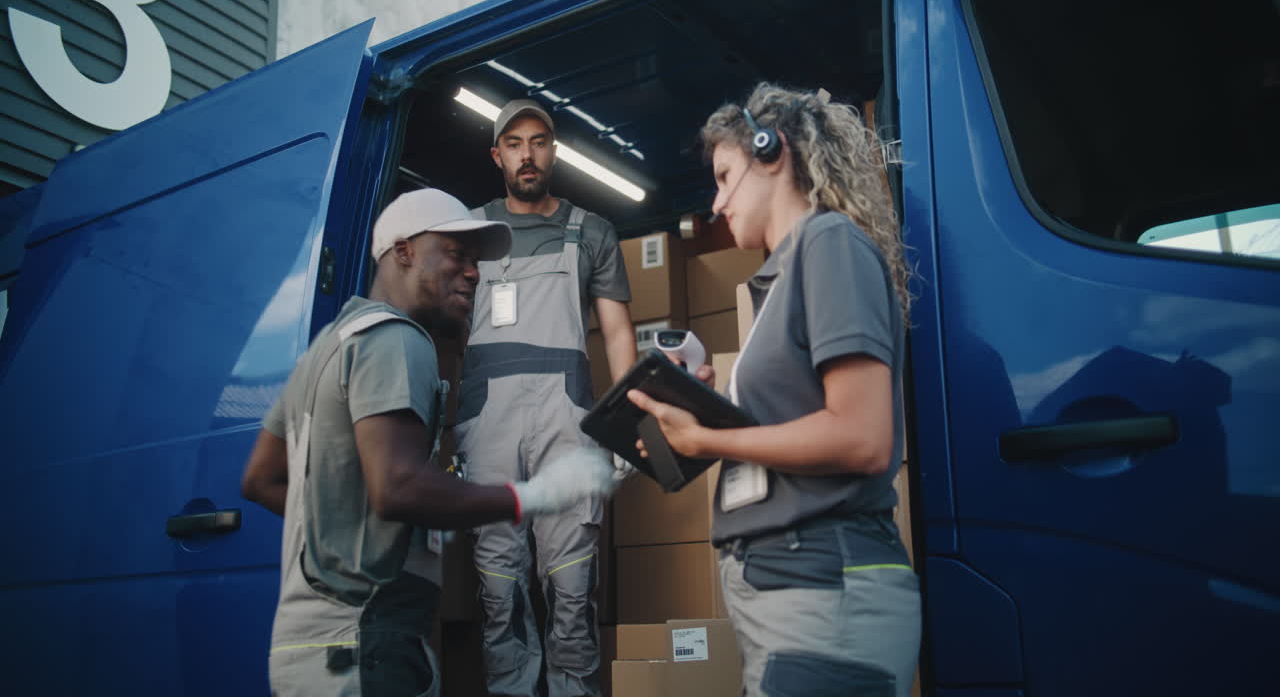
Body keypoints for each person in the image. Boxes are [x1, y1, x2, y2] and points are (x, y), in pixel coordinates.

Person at [240, 188, 616, 697]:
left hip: (306, 649)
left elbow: (260, 479)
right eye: (457, 254)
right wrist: (533, 495)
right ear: (404, 251)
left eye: (476, 260)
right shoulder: (397, 338)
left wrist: (347, 532)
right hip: (368, 644)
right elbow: (398, 486)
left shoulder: (327, 347)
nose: (474, 273)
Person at [627, 84, 922, 697]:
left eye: (724, 176)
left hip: (821, 591)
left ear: (772, 151)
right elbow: (792, 429)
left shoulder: (828, 243)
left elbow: (862, 438)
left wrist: (709, 437)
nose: (716, 203)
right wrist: (702, 418)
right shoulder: (782, 276)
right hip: (790, 595)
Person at [457, 98, 636, 697]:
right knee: (497, 584)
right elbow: (440, 327)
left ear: (553, 151)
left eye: (537, 141)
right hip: (487, 422)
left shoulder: (592, 231)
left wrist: (626, 421)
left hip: (568, 419)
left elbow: (617, 332)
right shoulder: (468, 233)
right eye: (514, 144)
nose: (527, 155)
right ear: (497, 155)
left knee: (572, 582)